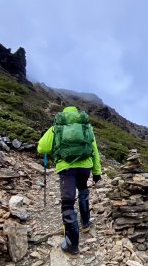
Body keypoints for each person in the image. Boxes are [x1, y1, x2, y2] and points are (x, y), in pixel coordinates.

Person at [37, 106, 102, 255]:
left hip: (66, 168)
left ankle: (72, 244)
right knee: (83, 189)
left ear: (64, 115)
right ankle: (85, 223)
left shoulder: (56, 127)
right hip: (85, 167)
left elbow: (42, 148)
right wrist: (97, 171)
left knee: (68, 202)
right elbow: (94, 150)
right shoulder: (86, 127)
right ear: (77, 114)